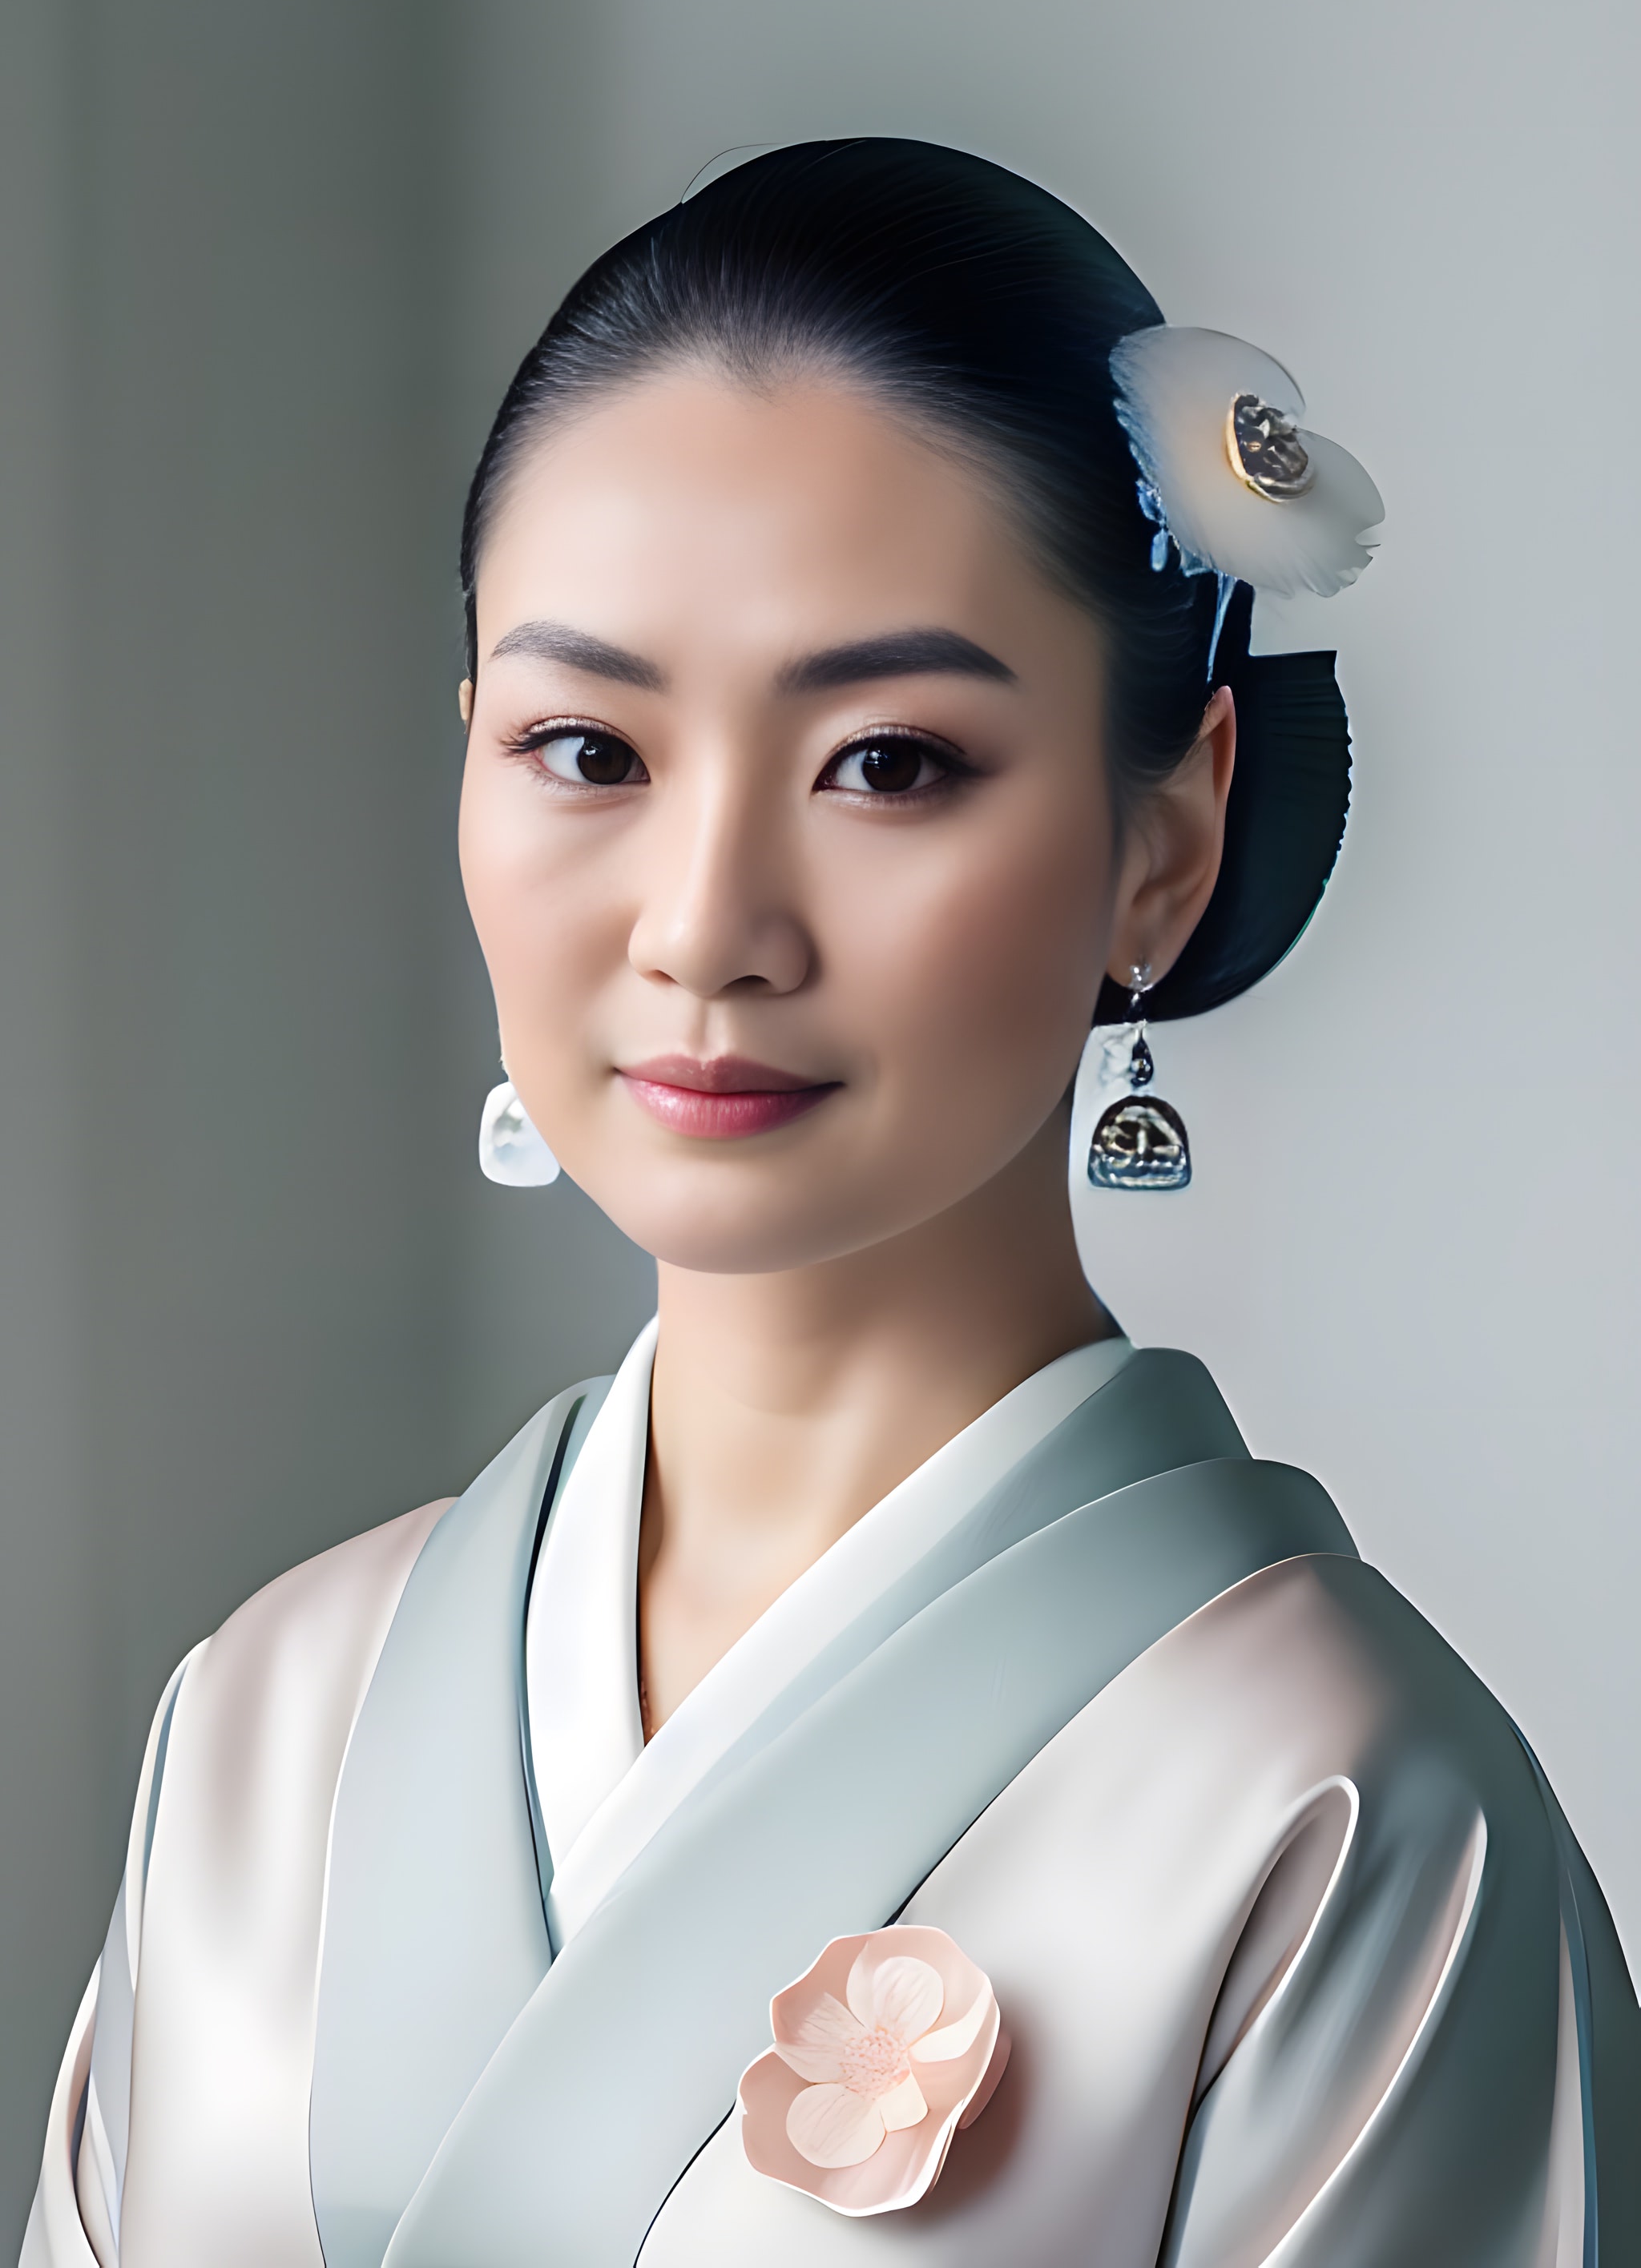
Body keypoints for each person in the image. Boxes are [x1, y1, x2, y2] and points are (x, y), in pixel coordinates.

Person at [24, 139, 1638, 2267]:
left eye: (888, 762)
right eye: (588, 751)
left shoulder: (1337, 1812)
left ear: (1166, 839)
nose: (705, 926)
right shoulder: (270, 1711)